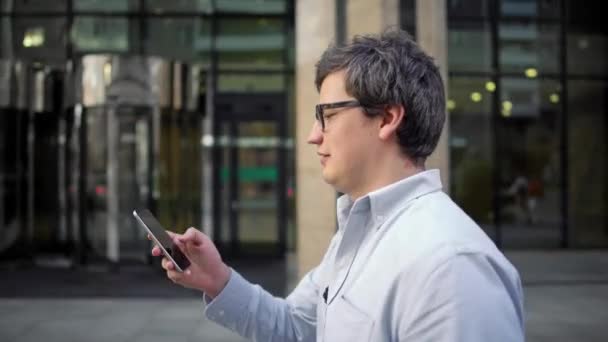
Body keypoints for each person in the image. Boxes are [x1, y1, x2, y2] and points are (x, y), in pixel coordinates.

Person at [152, 29, 525, 341]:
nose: (314, 136)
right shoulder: (359, 228)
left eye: (327, 115)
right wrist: (217, 280)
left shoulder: (451, 266)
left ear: (387, 118)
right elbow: (298, 328)